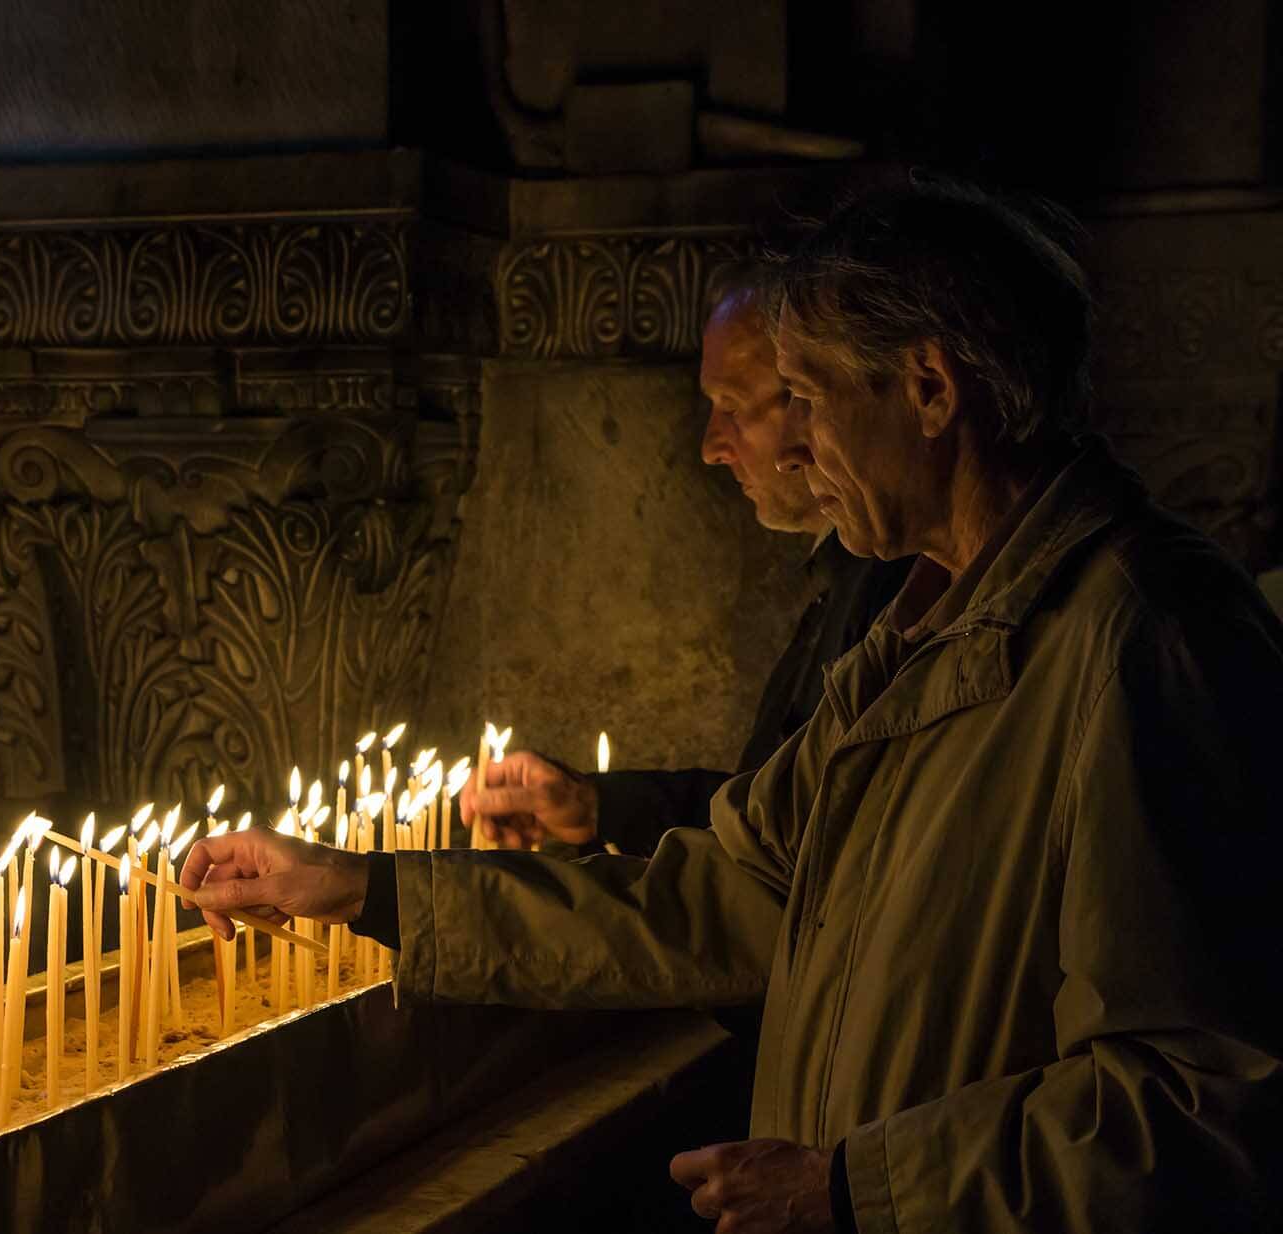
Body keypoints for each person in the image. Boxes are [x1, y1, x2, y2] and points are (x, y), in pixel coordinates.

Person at [180, 178, 1283, 1232]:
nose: (789, 444)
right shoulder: (910, 644)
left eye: (804, 398)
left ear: (931, 390)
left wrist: (856, 1191)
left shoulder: (1144, 642)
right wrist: (362, 888)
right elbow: (709, 894)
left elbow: (1200, 1101)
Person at [472, 266, 909, 857]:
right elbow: (766, 811)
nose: (710, 448)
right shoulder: (844, 581)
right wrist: (596, 807)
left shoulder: (901, 590)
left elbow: (802, 849)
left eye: (733, 406)